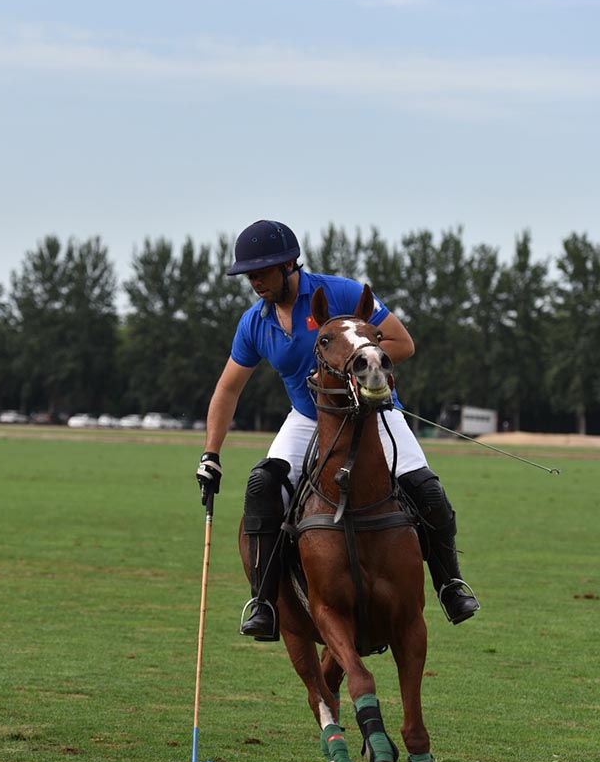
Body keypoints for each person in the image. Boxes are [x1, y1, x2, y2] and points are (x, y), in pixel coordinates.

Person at [195, 219, 480, 641]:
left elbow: (403, 344)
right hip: (308, 417)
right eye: (249, 275)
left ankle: (450, 585)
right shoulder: (255, 323)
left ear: (290, 265)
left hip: (373, 414)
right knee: (261, 487)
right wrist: (211, 454)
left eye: (262, 272)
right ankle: (265, 601)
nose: (255, 282)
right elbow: (227, 389)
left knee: (427, 489)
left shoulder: (342, 293)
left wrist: (356, 363)